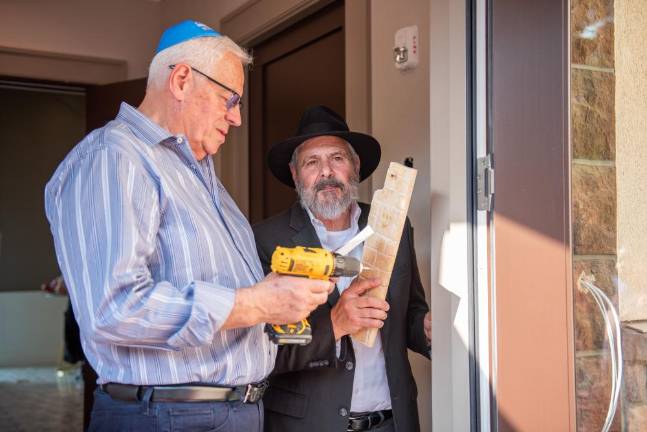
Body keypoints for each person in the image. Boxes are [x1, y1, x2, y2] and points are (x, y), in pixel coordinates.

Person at [44, 20, 332, 432]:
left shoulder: (200, 175)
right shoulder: (115, 158)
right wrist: (258, 303)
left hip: (224, 412)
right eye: (229, 100)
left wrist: (275, 296)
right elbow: (113, 308)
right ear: (181, 80)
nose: (236, 119)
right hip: (167, 416)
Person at [253, 105, 432, 432]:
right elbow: (260, 349)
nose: (326, 172)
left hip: (392, 422)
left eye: (337, 158)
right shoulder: (266, 240)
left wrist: (429, 330)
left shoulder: (392, 226)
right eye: (311, 162)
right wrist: (334, 325)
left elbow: (410, 313)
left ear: (355, 166)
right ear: (295, 175)